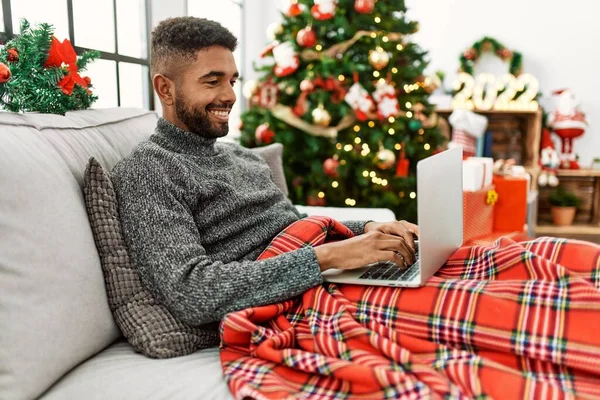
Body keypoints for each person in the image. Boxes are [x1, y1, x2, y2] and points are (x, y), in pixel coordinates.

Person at [111, 16, 418, 335]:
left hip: (320, 278)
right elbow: (192, 293)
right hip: (296, 304)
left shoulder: (242, 156)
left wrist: (366, 229)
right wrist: (328, 257)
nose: (229, 95)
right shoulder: (149, 170)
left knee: (462, 266)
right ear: (166, 89)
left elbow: (292, 223)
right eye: (212, 81)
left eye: (231, 81)